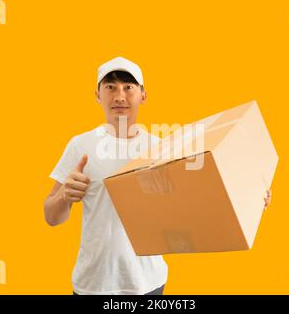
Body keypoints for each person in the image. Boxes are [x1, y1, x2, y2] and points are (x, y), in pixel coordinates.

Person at [44, 56, 272, 295]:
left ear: (143, 95)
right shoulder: (80, 146)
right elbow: (51, 217)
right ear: (97, 95)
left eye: (128, 87)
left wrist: (249, 197)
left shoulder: (163, 149)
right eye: (110, 87)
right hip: (93, 284)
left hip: (149, 283)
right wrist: (64, 197)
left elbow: (192, 207)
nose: (119, 96)